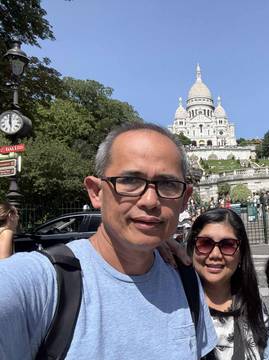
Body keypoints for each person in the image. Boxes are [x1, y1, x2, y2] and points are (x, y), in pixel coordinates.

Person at [0, 123, 217, 359]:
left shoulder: (184, 278)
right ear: (96, 192)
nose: (150, 200)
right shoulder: (41, 281)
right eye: (130, 181)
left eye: (168, 184)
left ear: (184, 199)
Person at [186, 208, 269, 359]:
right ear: (192, 248)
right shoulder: (176, 307)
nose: (215, 255)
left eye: (227, 245)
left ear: (241, 254)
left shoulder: (253, 304)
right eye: (205, 243)